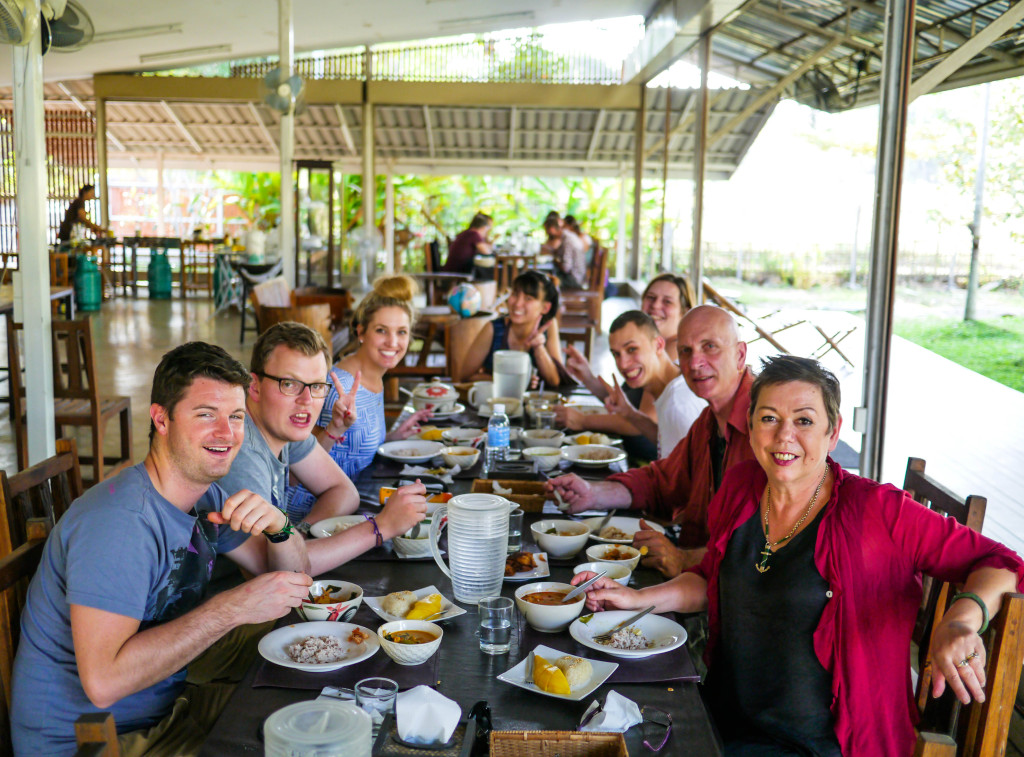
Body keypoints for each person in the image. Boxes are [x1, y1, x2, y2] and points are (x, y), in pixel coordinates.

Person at [574, 355, 1024, 757]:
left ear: (833, 433)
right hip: (724, 721)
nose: (784, 435)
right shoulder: (742, 486)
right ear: (749, 428)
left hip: (820, 742)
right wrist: (636, 599)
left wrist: (964, 619)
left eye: (804, 420)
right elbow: (713, 576)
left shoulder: (876, 510)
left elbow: (1002, 562)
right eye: (769, 418)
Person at [11, 342, 312, 755]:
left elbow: (293, 579)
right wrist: (232, 608)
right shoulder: (120, 523)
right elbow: (103, 684)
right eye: (206, 414)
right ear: (162, 419)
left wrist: (279, 527)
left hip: (164, 707)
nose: (226, 433)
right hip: (94, 742)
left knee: (305, 703)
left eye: (236, 417)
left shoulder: (204, 498)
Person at [546, 305, 756, 577]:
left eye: (710, 347)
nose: (694, 363)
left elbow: (765, 544)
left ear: (740, 355)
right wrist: (593, 493)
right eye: (686, 351)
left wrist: (683, 558)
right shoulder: (708, 421)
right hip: (699, 580)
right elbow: (661, 479)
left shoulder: (765, 425)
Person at [217, 321, 427, 574]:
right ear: (255, 387)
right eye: (289, 384)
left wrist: (298, 533)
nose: (306, 401)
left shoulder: (283, 424)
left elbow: (344, 491)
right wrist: (381, 527)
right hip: (225, 595)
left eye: (316, 386)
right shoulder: (240, 455)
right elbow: (277, 571)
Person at [287, 275, 433, 514]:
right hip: (309, 513)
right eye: (381, 330)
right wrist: (333, 428)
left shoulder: (374, 376)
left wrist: (393, 437)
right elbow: (295, 468)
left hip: (349, 502)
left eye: (402, 332)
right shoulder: (340, 386)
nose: (393, 342)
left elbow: (351, 450)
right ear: (361, 331)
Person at [555, 310, 704, 459]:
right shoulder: (674, 376)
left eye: (632, 349)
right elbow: (664, 440)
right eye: (616, 354)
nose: (623, 364)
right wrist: (630, 413)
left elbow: (683, 478)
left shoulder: (677, 405)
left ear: (658, 345)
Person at [457, 270, 569, 388]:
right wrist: (512, 380)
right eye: (515, 294)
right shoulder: (493, 329)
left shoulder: (548, 326)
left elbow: (555, 381)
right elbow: (465, 377)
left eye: (528, 298)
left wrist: (539, 347)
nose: (517, 303)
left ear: (545, 308)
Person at [639, 273, 696, 360]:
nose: (655, 305)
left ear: (685, 312)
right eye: (651, 297)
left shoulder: (679, 350)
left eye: (667, 301)